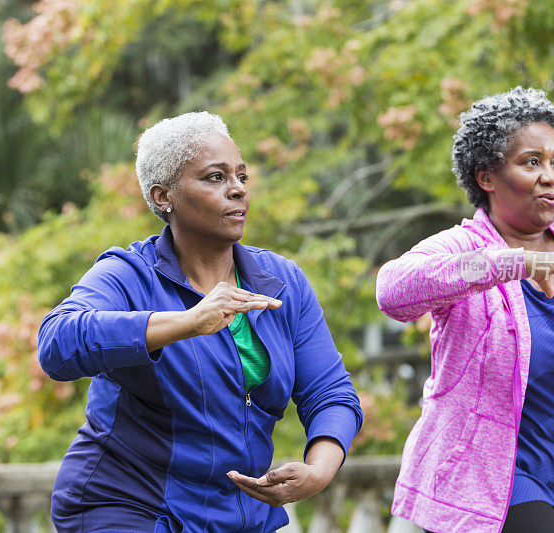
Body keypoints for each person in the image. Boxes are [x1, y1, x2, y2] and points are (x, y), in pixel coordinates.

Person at [38, 111, 363, 532]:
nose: (238, 190)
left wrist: (318, 470)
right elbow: (57, 344)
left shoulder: (282, 282)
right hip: (128, 506)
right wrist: (188, 322)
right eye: (215, 177)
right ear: (163, 196)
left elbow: (331, 392)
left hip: (239, 514)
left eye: (242, 177)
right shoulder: (128, 275)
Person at [376, 87, 554, 533]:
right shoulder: (464, 247)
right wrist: (516, 261)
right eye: (531, 162)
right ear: (487, 177)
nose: (550, 177)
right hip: (481, 484)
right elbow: (393, 291)